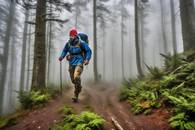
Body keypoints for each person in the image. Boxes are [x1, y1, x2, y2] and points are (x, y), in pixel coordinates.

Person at [58, 28, 92, 102]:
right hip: (71, 62)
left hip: (79, 61)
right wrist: (61, 56)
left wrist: (87, 59)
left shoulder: (81, 43)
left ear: (76, 35)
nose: (71, 37)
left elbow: (88, 50)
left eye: (72, 35)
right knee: (73, 80)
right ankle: (79, 86)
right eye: (70, 35)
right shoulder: (68, 43)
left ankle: (76, 94)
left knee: (76, 76)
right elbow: (64, 50)